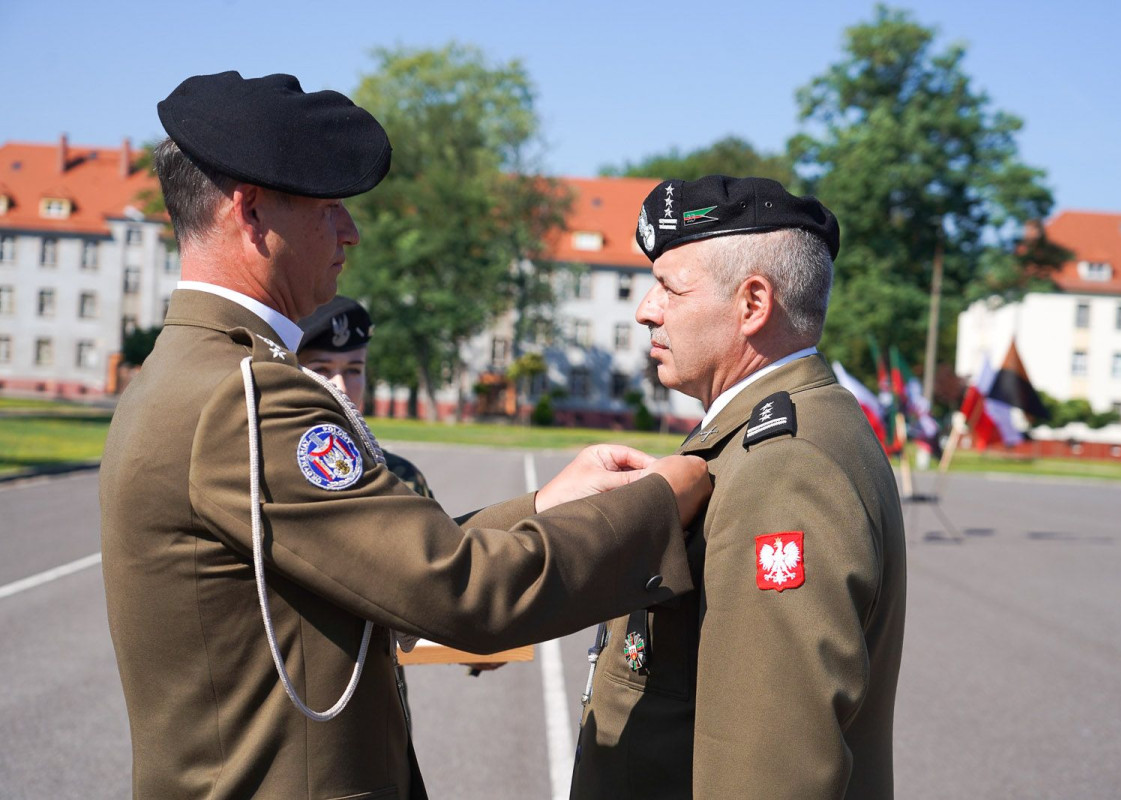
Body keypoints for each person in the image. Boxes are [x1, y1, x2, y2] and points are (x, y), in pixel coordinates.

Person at [99, 71, 711, 800]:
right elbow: (460, 592)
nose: (350, 233)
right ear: (252, 211)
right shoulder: (247, 400)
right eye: (329, 209)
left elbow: (380, 557)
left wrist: (547, 505)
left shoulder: (199, 374)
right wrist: (661, 501)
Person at [571, 176, 906, 799]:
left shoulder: (785, 467)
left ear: (753, 304)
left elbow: (770, 766)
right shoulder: (774, 430)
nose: (646, 309)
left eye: (669, 287)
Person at [296, 295, 433, 498]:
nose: (340, 386)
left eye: (353, 370)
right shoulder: (265, 467)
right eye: (321, 369)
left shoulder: (401, 477)